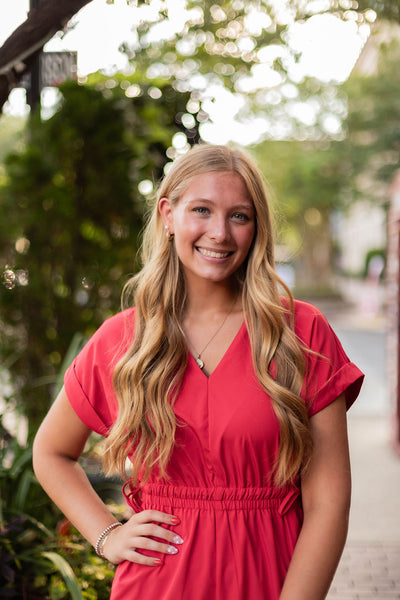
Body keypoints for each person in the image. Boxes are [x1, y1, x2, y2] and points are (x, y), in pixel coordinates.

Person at [33, 143, 364, 600]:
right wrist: (107, 536)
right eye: (202, 210)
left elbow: (329, 505)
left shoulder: (301, 332)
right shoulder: (124, 339)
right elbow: (50, 452)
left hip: (270, 578)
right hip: (156, 584)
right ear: (168, 215)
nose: (220, 233)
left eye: (239, 216)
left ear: (256, 228)